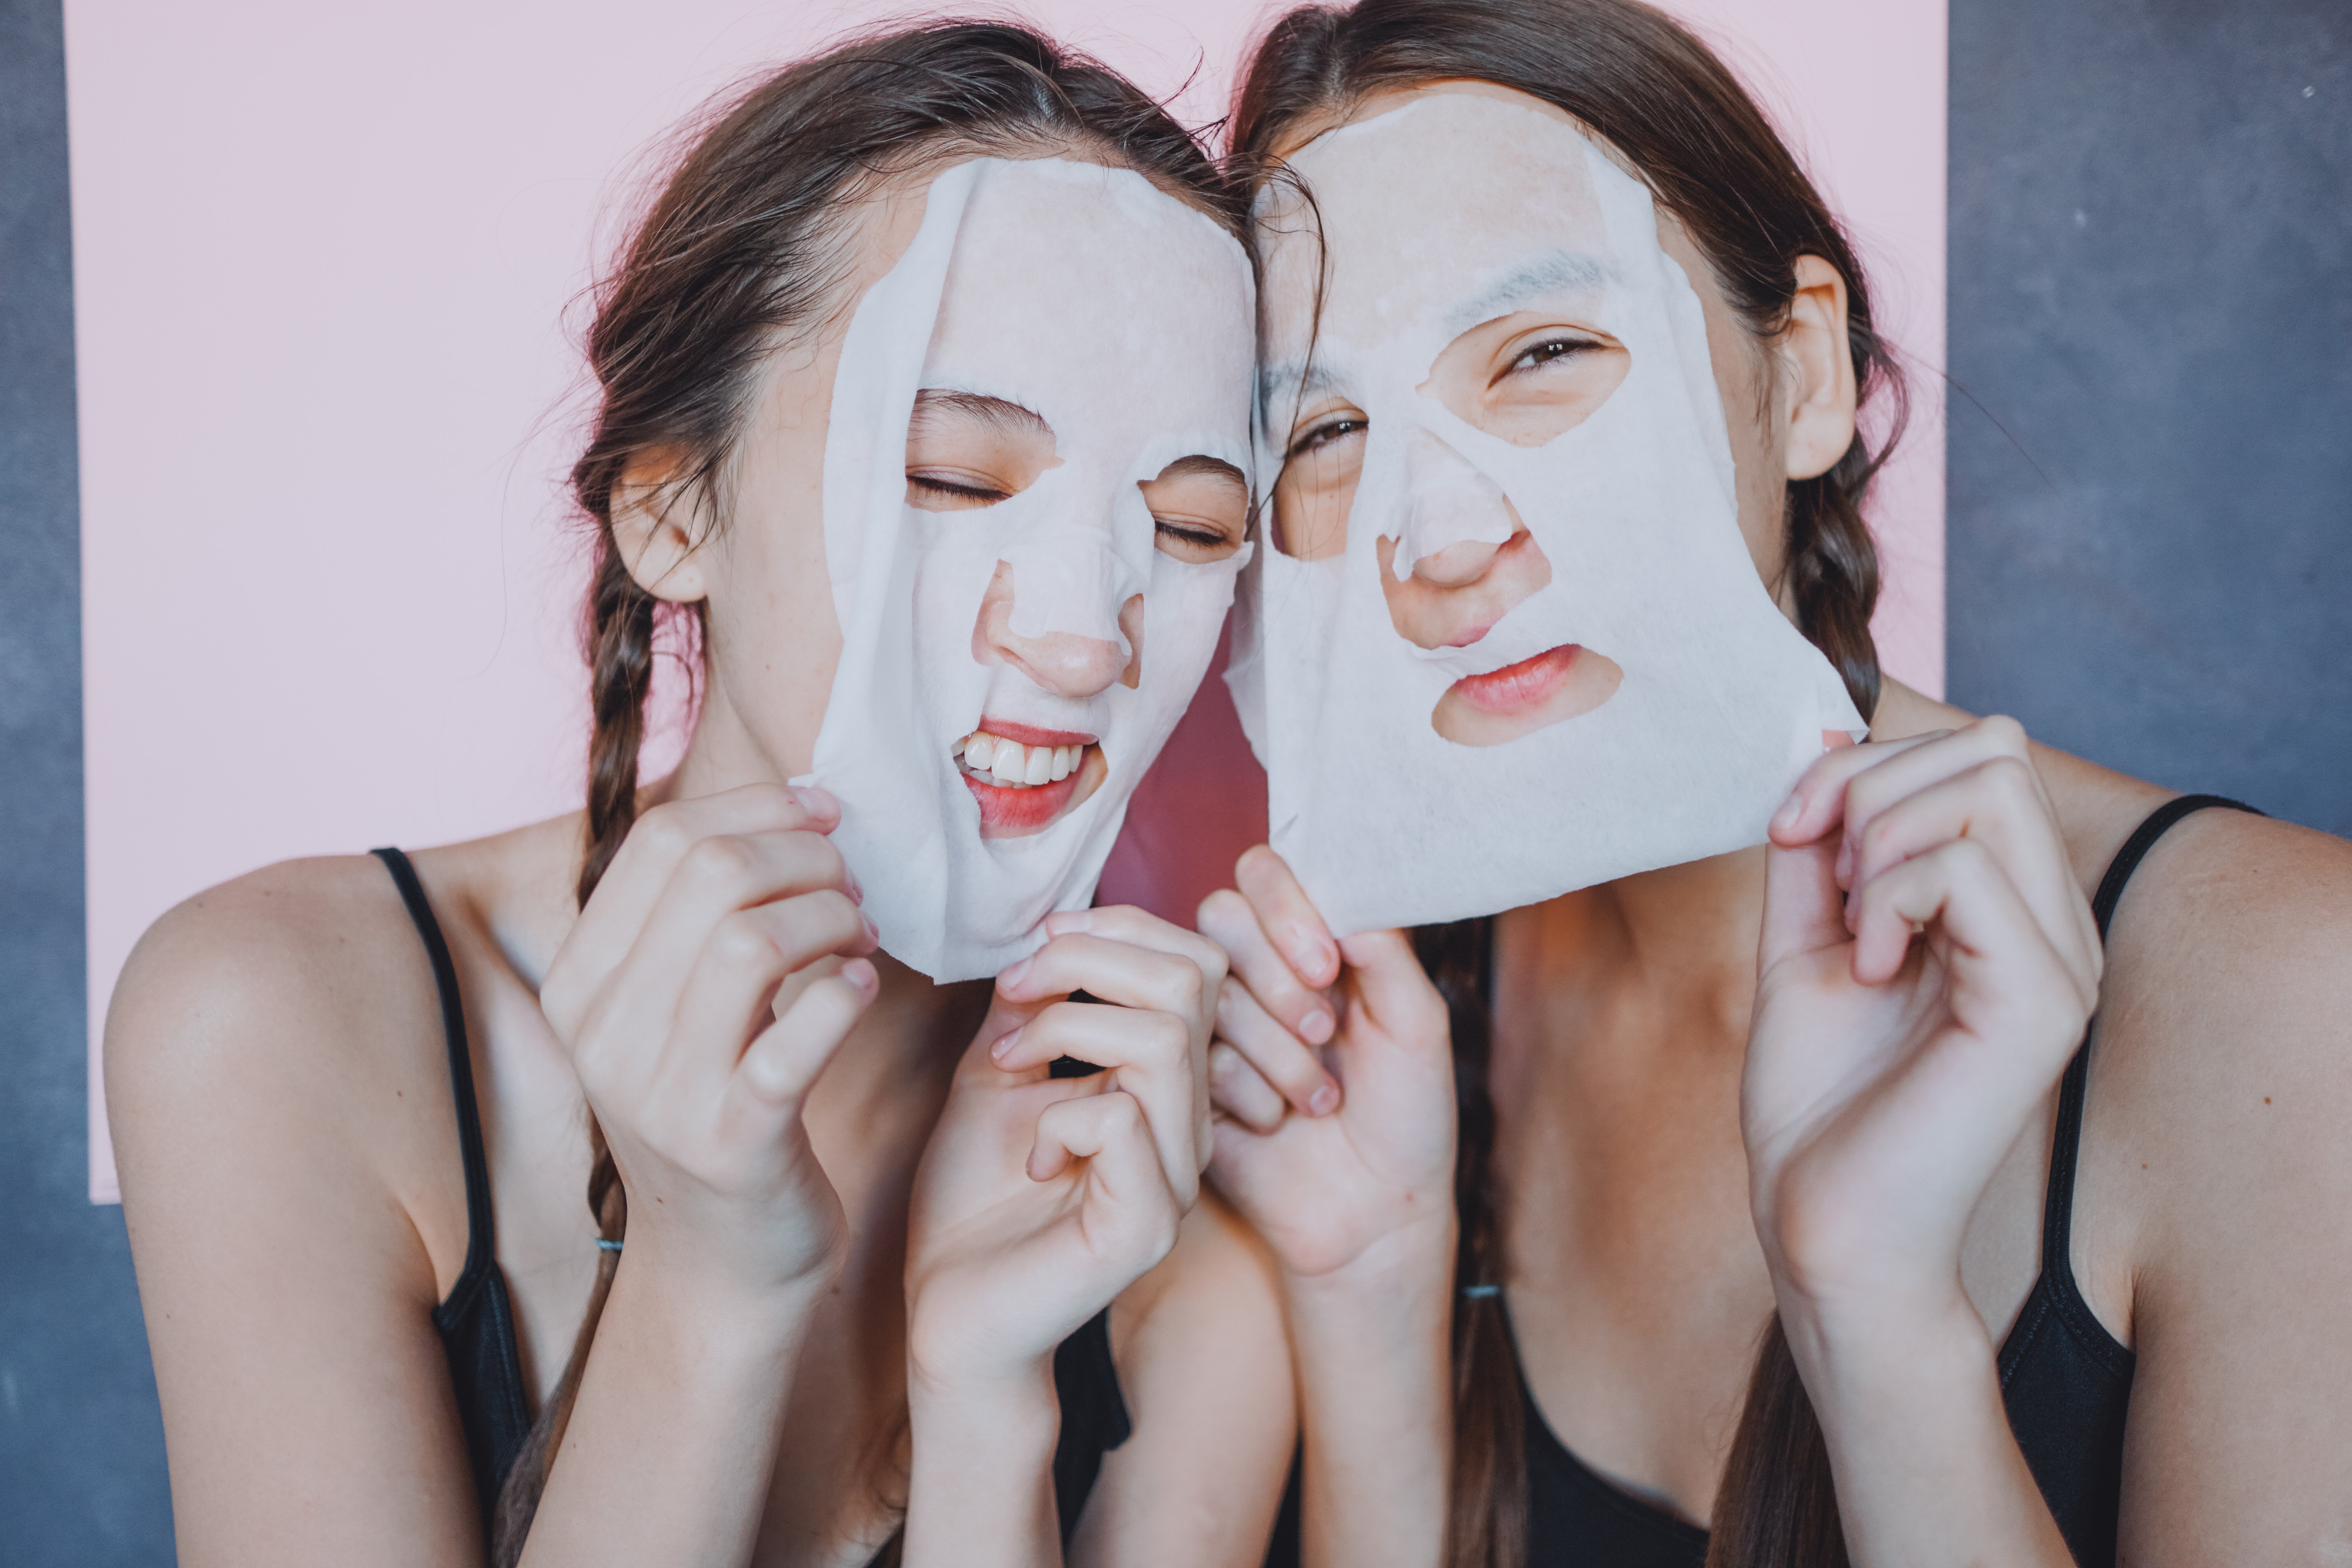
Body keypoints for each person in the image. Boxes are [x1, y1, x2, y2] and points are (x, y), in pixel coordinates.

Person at [104, 24, 1293, 1568]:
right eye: (949, 478)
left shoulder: (1166, 1234)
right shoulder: (278, 1019)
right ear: (671, 511)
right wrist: (708, 1271)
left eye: (1193, 527)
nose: (1085, 634)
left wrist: (988, 1402)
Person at [1200, 3, 2352, 1565]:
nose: (1443, 534)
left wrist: (1879, 1312)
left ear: (1803, 372)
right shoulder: (1374, 1033)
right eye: (1325, 429)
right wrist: (1376, 1310)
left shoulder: (2285, 995)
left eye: (1544, 352)